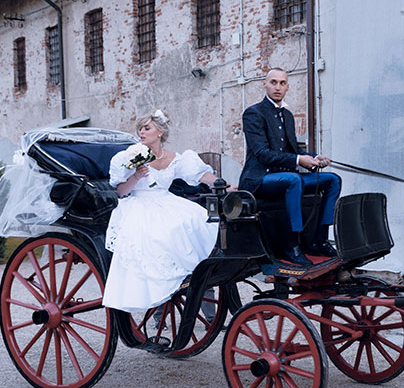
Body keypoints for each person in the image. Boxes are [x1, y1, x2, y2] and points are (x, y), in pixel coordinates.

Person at [103, 109, 221, 312]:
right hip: (138, 205)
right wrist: (137, 176)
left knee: (198, 220)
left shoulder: (176, 158)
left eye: (147, 128)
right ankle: (158, 302)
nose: (141, 131)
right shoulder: (130, 156)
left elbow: (200, 175)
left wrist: (222, 184)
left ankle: (197, 278)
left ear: (160, 132)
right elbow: (121, 191)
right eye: (140, 128)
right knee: (159, 235)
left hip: (166, 201)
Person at [238, 68, 341, 266]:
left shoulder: (287, 115)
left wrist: (315, 157)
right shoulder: (253, 113)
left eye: (282, 83)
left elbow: (291, 150)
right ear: (265, 85)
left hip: (285, 176)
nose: (278, 87)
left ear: (287, 87)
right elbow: (262, 154)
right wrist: (299, 160)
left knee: (333, 180)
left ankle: (319, 240)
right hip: (260, 178)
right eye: (273, 82)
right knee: (293, 180)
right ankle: (291, 244)